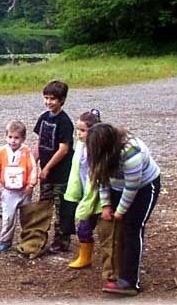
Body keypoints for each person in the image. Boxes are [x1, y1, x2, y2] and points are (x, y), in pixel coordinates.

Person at [86, 123, 161, 296]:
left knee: (133, 229)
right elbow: (101, 176)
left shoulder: (132, 153)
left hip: (143, 187)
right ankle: (115, 270)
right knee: (114, 229)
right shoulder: (98, 151)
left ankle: (130, 282)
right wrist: (105, 204)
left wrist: (120, 211)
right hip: (117, 186)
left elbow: (131, 188)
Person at [32, 80, 75, 253]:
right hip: (46, 173)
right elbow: (39, 142)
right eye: (46, 98)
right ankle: (39, 236)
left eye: (53, 99)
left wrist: (47, 167)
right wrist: (31, 163)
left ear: (62, 100)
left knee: (61, 207)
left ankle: (62, 240)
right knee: (44, 203)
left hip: (61, 174)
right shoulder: (44, 118)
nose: (49, 102)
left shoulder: (65, 122)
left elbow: (63, 149)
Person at [0, 120, 38, 253]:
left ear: (23, 138)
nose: (13, 141)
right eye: (10, 137)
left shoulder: (26, 152)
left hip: (24, 191)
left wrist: (31, 184)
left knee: (27, 217)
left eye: (16, 138)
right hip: (8, 192)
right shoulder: (1, 152)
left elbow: (33, 168)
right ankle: (5, 241)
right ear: (6, 136)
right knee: (8, 217)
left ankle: (28, 242)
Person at [63, 109, 104, 268]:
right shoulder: (80, 147)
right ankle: (85, 256)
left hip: (100, 196)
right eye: (77, 130)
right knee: (83, 228)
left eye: (83, 130)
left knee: (105, 230)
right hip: (86, 195)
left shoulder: (99, 150)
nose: (79, 134)